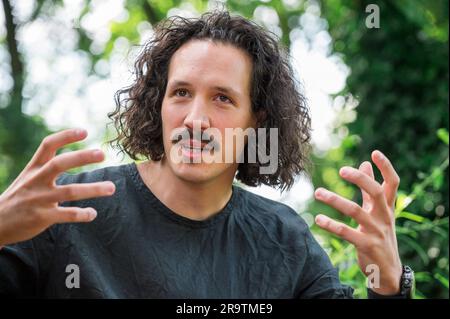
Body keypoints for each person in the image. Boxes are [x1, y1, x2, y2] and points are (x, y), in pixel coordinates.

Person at [0, 10, 413, 298]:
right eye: (181, 93)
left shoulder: (286, 243)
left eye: (222, 98)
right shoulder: (69, 207)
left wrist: (390, 284)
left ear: (256, 122)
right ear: (157, 104)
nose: (196, 118)